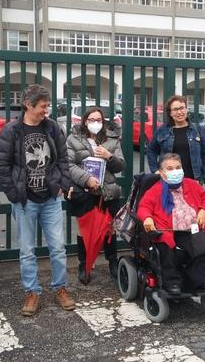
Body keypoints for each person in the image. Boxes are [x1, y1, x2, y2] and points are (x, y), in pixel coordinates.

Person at [0, 84, 74, 316]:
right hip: (25, 201)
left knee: (58, 248)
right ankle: (32, 292)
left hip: (50, 198)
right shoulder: (12, 131)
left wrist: (63, 185)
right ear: (28, 105)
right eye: (42, 106)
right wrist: (14, 194)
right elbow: (2, 165)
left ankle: (60, 289)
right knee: (27, 251)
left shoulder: (52, 128)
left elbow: (63, 159)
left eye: (47, 106)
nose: (46, 110)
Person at [136, 153, 205, 294]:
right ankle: (171, 282)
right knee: (165, 246)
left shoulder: (191, 184)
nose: (175, 171)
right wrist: (148, 219)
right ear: (161, 173)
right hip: (168, 231)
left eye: (178, 167)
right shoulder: (155, 189)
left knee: (201, 245)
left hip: (190, 229)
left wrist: (203, 211)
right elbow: (143, 207)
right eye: (170, 168)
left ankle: (203, 280)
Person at [66, 107, 125, 284]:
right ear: (85, 121)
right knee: (84, 230)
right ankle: (84, 264)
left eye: (99, 120)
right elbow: (68, 165)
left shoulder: (112, 139)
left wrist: (109, 157)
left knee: (108, 229)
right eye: (91, 120)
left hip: (107, 191)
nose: (95, 123)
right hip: (84, 192)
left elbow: (121, 166)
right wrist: (87, 179)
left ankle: (112, 262)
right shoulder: (73, 139)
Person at [147, 95, 205, 184]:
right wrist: (156, 171)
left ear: (186, 109)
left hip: (193, 181)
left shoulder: (198, 129)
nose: (179, 112)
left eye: (182, 108)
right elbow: (151, 150)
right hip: (168, 180)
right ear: (170, 113)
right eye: (175, 109)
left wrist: (203, 178)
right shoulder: (162, 130)